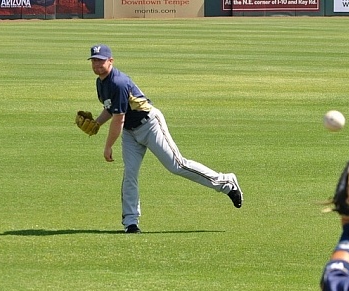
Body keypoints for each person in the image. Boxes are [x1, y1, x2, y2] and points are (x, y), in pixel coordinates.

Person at [84, 44, 242, 233]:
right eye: (94, 60)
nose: (97, 64)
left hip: (150, 125)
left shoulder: (118, 82)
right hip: (130, 131)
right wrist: (97, 123)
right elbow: (112, 108)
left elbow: (119, 118)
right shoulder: (101, 82)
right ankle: (131, 222)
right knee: (130, 174)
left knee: (177, 165)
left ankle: (225, 183)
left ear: (111, 61)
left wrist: (108, 146)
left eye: (101, 60)